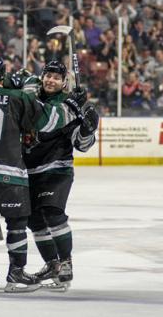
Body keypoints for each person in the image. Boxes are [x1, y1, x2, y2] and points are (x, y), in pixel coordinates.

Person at [0, 57, 83, 293]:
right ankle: (15, 274)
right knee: (17, 225)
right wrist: (71, 107)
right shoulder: (20, 97)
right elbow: (46, 122)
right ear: (4, 76)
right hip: (10, 174)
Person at [23, 60, 97, 290]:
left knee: (52, 212)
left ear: (64, 81)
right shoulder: (31, 97)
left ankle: (66, 262)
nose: (51, 80)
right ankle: (52, 264)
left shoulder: (69, 104)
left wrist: (87, 130)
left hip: (57, 168)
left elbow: (82, 145)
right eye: (48, 75)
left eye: (56, 77)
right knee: (33, 219)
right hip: (29, 170)